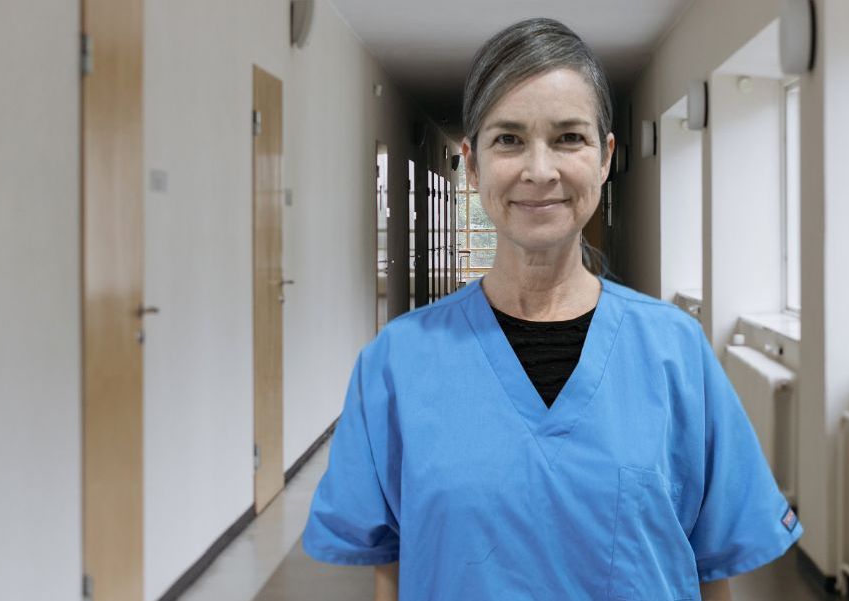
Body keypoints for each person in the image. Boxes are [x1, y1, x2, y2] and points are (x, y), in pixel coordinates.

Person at [302, 17, 801, 600]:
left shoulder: (674, 351)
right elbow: (389, 567)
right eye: (508, 139)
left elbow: (713, 567)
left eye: (569, 138)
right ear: (472, 161)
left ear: (605, 155)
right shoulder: (397, 362)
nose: (540, 171)